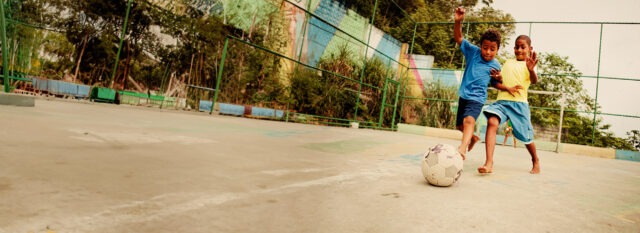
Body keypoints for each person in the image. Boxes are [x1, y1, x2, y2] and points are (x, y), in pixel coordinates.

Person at [479, 35, 541, 174]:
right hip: (502, 102)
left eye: (523, 47)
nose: (519, 49)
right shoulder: (507, 62)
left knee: (526, 138)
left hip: (519, 104)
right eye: (517, 47)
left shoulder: (530, 64)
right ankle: (489, 162)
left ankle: (535, 160)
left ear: (530, 49)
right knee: (492, 122)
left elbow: (534, 80)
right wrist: (497, 78)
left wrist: (531, 70)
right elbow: (501, 81)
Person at [453, 7, 502, 160]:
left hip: (477, 98)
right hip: (464, 94)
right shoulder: (473, 52)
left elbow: (496, 83)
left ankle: (462, 148)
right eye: (485, 47)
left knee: (469, 120)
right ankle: (472, 138)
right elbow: (459, 37)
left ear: (497, 50)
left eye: (492, 49)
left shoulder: (496, 66)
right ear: (481, 46)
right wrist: (458, 22)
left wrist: (500, 78)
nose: (488, 52)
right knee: (460, 126)